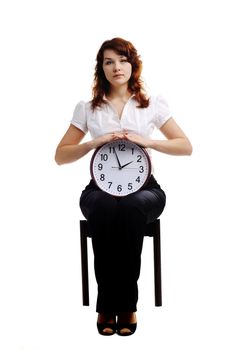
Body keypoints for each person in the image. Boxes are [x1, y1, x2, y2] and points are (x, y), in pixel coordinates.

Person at [55, 37, 192, 336]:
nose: (116, 67)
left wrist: (149, 141)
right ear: (100, 68)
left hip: (145, 189)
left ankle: (127, 305)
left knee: (130, 207)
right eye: (108, 61)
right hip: (99, 189)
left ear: (133, 64)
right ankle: (107, 305)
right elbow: (60, 155)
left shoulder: (151, 104)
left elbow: (186, 146)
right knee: (105, 207)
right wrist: (95, 141)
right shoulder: (88, 108)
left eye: (122, 60)